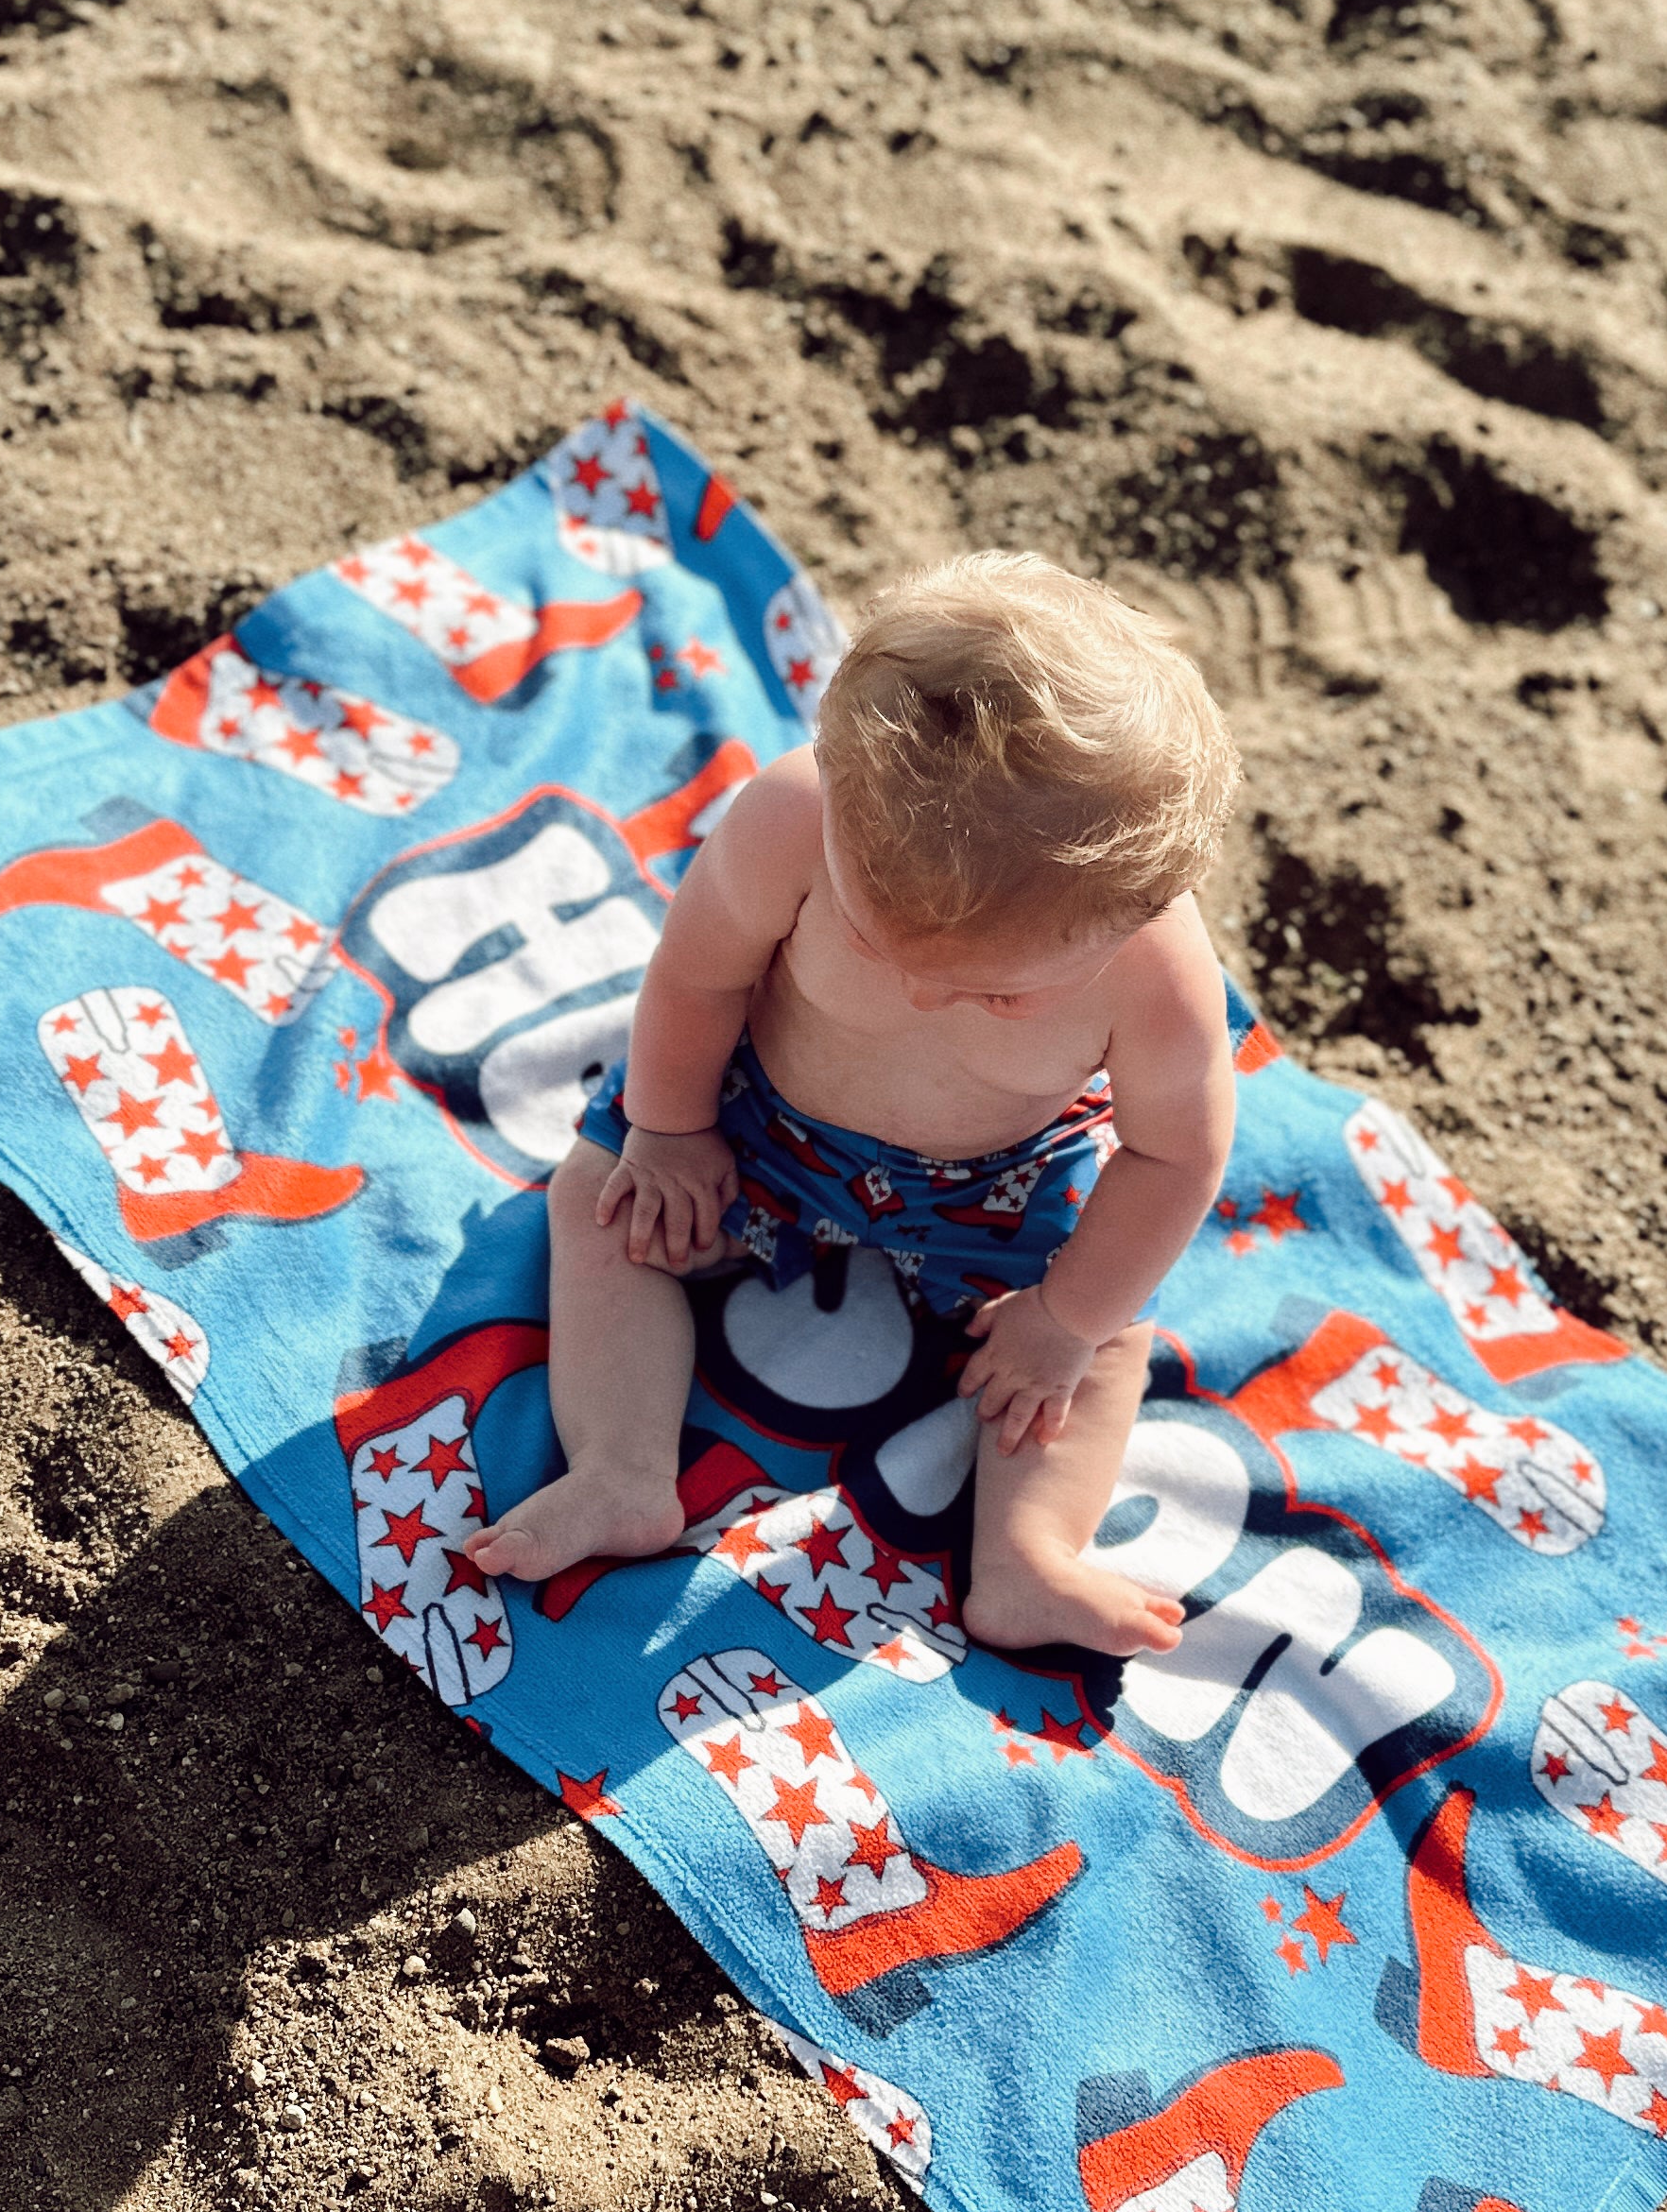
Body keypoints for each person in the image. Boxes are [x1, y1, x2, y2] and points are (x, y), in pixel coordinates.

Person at [472, 554, 1241, 1656]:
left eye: (1000, 992)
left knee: (1106, 1335)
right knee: (605, 1201)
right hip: (761, 1123)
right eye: (880, 943)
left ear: (1141, 907)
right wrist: (673, 1129)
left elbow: (1173, 1159)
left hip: (1003, 1180)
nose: (925, 998)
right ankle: (623, 1467)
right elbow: (697, 980)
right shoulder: (791, 817)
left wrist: (1062, 1322)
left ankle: (1027, 1556)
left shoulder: (1160, 974)